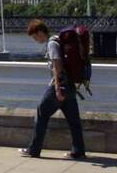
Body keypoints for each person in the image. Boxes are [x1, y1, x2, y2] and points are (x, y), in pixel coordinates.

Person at [20, 20, 86, 159]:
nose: (35, 40)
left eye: (34, 37)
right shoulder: (58, 40)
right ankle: (78, 151)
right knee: (74, 121)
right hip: (70, 86)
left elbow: (57, 65)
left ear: (39, 32)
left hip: (60, 85)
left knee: (41, 113)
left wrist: (57, 87)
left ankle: (34, 150)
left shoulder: (52, 43)